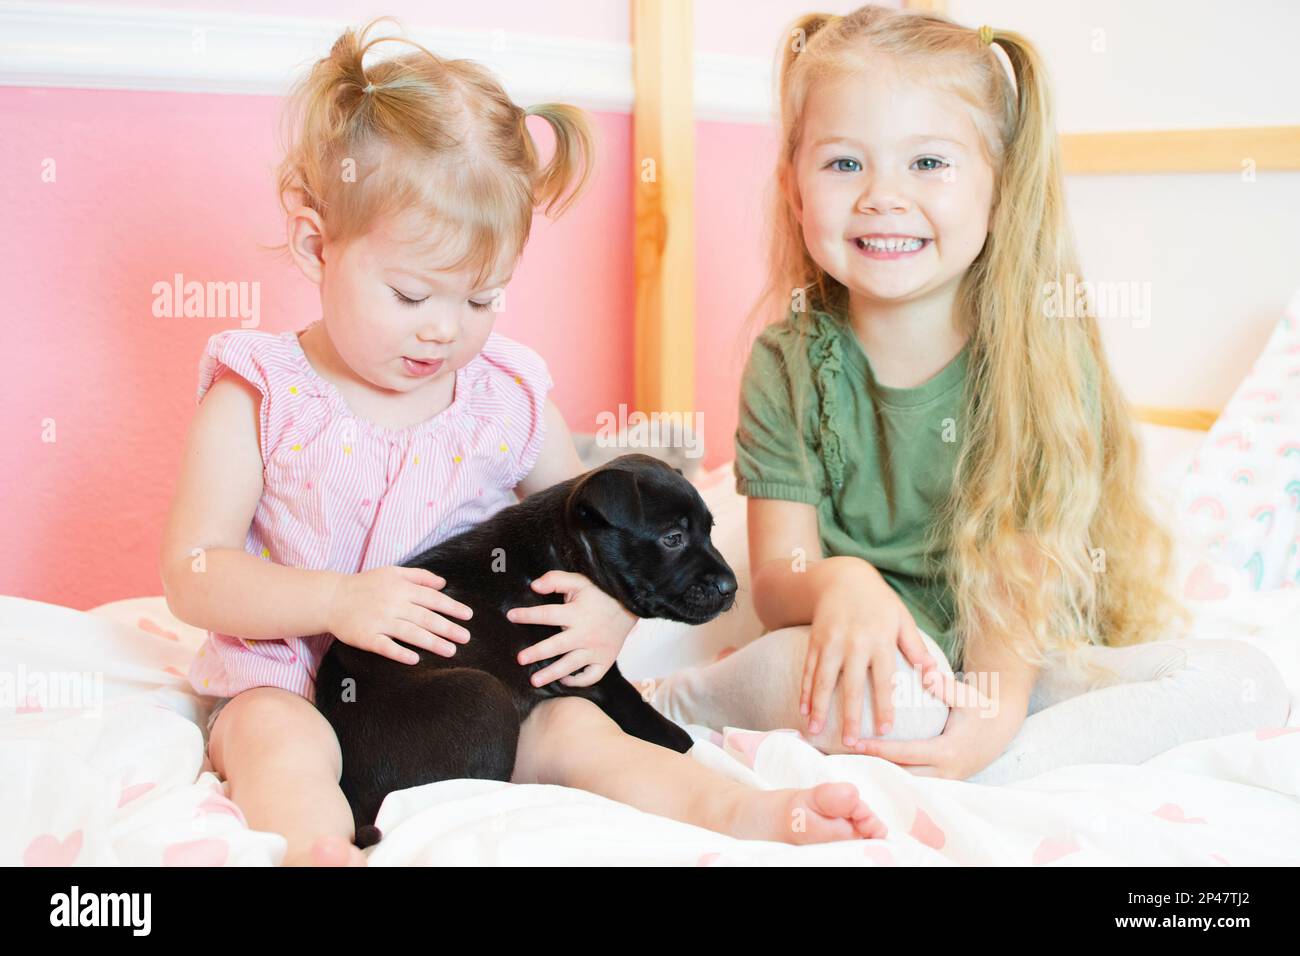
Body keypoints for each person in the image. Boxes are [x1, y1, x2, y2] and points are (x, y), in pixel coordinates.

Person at [650, 6, 1291, 784]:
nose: (883, 196)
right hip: (877, 657)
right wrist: (844, 583)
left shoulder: (1039, 357)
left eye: (929, 163)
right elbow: (783, 582)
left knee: (1247, 679)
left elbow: (1019, 583)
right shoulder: (786, 363)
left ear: (1000, 185)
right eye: (844, 164)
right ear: (793, 189)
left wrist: (991, 713)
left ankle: (988, 760)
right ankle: (681, 699)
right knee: (849, 686)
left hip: (1021, 655)